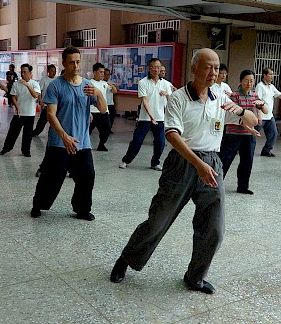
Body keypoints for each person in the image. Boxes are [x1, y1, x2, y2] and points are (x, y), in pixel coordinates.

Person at [110, 48, 257, 294]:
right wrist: (198, 165)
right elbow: (172, 136)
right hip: (182, 163)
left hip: (212, 163)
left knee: (214, 228)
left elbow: (252, 120)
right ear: (193, 69)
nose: (213, 72)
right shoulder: (178, 98)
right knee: (158, 220)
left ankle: (195, 276)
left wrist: (241, 113)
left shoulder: (220, 96)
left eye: (217, 67)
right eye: (208, 67)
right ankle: (126, 260)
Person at [30, 46, 107, 220]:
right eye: (71, 62)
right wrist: (64, 136)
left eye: (78, 62)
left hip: (82, 143)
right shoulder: (55, 86)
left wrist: (99, 94)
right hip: (59, 142)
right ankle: (38, 205)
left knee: (87, 177)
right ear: (64, 63)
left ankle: (82, 209)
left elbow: (102, 110)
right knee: (51, 179)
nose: (75, 66)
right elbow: (50, 115)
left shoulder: (88, 86)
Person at [219, 70, 268, 195]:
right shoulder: (234, 96)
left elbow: (266, 111)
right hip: (233, 134)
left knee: (247, 161)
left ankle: (242, 186)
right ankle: (216, 186)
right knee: (225, 160)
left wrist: (262, 105)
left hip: (248, 136)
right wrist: (248, 126)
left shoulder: (254, 96)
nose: (249, 83)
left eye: (251, 81)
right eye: (246, 80)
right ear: (240, 81)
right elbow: (233, 115)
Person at [119, 58, 172, 171]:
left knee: (160, 143)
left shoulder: (166, 84)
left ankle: (155, 163)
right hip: (145, 118)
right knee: (137, 141)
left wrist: (167, 95)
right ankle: (126, 160)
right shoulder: (143, 82)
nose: (157, 70)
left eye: (159, 67)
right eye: (154, 67)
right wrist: (151, 117)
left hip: (160, 118)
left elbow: (171, 101)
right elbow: (145, 100)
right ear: (150, 68)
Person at [0, 64, 41, 157]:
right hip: (18, 113)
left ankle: (26, 151)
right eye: (21, 72)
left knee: (28, 134)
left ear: (30, 73)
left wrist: (27, 85)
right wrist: (17, 107)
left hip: (29, 113)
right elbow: (13, 96)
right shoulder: (16, 84)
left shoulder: (35, 84)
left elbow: (35, 96)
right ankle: (6, 148)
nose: (22, 74)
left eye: (25, 72)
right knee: (12, 132)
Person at [89, 63, 116, 151]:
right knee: (87, 131)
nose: (102, 74)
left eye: (103, 72)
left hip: (103, 111)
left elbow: (114, 91)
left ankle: (101, 145)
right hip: (92, 111)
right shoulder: (89, 83)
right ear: (94, 72)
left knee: (107, 129)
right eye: (100, 72)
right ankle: (83, 145)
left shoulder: (104, 83)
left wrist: (112, 86)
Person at [255, 67, 281, 157]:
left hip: (270, 116)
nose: (272, 76)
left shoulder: (271, 86)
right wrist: (258, 116)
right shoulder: (260, 86)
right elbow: (257, 101)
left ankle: (266, 150)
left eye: (272, 74)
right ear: (264, 75)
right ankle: (240, 148)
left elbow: (279, 95)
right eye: (270, 74)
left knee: (273, 133)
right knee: (252, 133)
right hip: (261, 116)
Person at [32, 64, 57, 137]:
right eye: (52, 71)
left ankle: (52, 133)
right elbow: (39, 91)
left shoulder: (57, 80)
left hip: (55, 104)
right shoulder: (44, 79)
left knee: (54, 120)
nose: (54, 73)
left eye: (55, 71)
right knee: (42, 120)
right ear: (48, 71)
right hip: (46, 104)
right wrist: (40, 101)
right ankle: (35, 132)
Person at [104, 68, 118, 132]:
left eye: (108, 74)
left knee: (112, 115)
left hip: (110, 103)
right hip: (104, 103)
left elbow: (115, 90)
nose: (107, 76)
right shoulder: (101, 82)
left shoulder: (111, 82)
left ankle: (109, 128)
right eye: (106, 74)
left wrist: (112, 85)